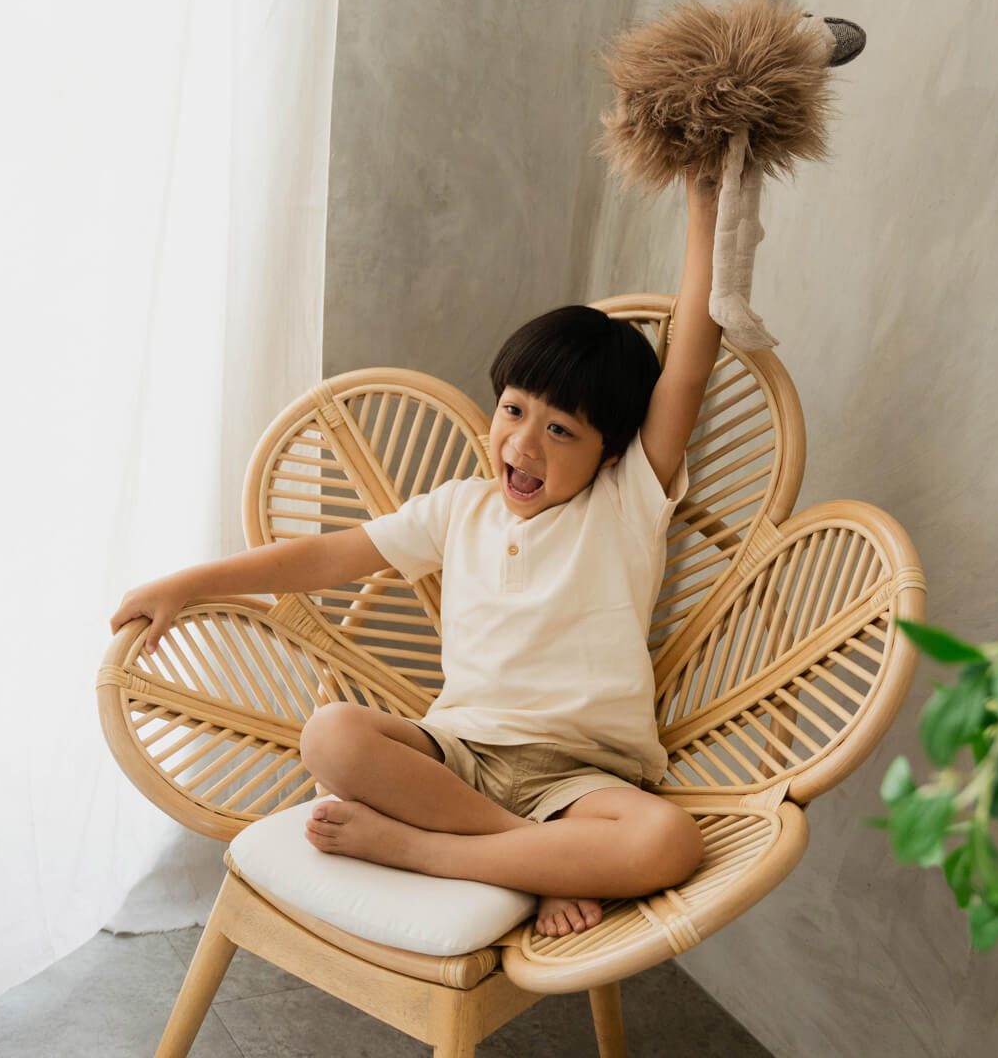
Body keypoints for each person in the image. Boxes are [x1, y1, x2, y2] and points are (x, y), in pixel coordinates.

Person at [111, 177, 720, 939]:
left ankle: (427, 851)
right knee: (330, 733)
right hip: (456, 757)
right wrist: (186, 582)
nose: (524, 443)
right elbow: (326, 557)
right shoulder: (459, 507)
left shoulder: (624, 505)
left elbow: (689, 367)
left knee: (670, 839)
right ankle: (533, 861)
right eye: (514, 410)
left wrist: (707, 206)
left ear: (611, 453)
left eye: (561, 430)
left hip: (582, 780)